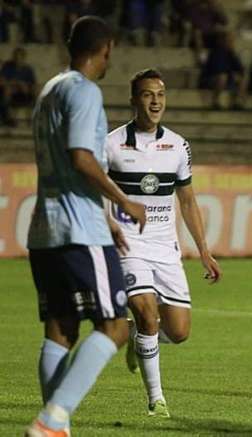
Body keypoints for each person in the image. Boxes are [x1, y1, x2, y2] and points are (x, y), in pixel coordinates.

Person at [25, 15, 147, 437]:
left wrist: (108, 217)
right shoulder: (84, 92)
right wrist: (122, 200)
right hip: (79, 231)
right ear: (107, 48)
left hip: (45, 229)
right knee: (114, 325)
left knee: (60, 331)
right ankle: (52, 420)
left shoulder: (49, 91)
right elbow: (82, 157)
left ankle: (56, 426)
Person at [105, 68, 222, 418]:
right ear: (133, 100)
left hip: (165, 248)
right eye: (147, 94)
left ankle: (141, 338)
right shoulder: (111, 144)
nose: (155, 101)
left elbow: (187, 200)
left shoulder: (178, 145)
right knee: (146, 312)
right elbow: (92, 188)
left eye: (160, 95)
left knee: (180, 331)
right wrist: (108, 223)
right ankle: (157, 401)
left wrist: (203, 250)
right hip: (128, 246)